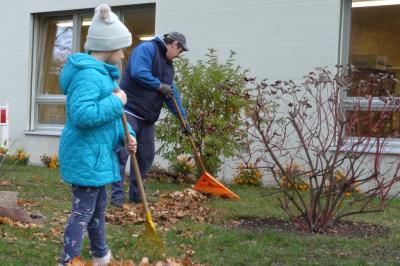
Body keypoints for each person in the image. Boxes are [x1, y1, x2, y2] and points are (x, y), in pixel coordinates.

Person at [57, 4, 136, 265]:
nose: (123, 55)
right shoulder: (89, 76)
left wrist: (128, 135)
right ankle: (68, 260)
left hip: (97, 154)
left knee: (97, 210)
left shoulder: (104, 76)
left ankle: (100, 254)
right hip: (85, 155)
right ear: (110, 47)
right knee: (82, 212)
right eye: (122, 48)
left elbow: (111, 119)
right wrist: (118, 102)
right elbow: (82, 115)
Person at [111, 31, 191, 206]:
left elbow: (172, 95)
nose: (179, 55)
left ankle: (136, 195)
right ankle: (116, 197)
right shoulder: (147, 49)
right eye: (180, 51)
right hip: (129, 110)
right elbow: (139, 72)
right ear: (174, 44)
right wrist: (159, 85)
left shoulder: (169, 67)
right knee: (122, 154)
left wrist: (183, 121)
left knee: (145, 156)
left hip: (147, 117)